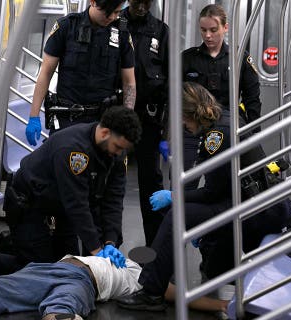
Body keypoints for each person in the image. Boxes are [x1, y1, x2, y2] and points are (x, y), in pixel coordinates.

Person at [116, 82, 291, 311]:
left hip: (253, 210)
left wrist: (174, 196)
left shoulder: (216, 137)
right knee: (211, 262)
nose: (182, 124)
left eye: (182, 118)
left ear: (192, 114)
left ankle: (151, 292)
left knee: (177, 215)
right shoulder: (225, 119)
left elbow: (211, 193)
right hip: (254, 201)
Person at [0, 255, 229, 320]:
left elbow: (183, 296)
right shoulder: (124, 262)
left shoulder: (147, 279)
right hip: (65, 270)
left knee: (65, 302)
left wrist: (225, 306)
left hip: (84, 280)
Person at [4, 106, 141, 270]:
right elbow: (76, 204)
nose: (120, 153)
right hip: (29, 204)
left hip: (60, 206)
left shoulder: (116, 153)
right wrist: (97, 252)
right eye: (118, 147)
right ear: (105, 133)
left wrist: (110, 242)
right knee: (38, 269)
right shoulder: (73, 150)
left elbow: (114, 200)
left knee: (69, 266)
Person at [25, 0, 137, 145]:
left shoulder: (122, 35)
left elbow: (129, 82)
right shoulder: (66, 27)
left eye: (117, 12)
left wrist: (126, 120)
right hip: (67, 119)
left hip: (102, 122)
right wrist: (34, 115)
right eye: (107, 12)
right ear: (92, 2)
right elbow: (46, 73)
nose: (112, 17)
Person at [181, 4, 262, 175]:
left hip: (226, 130)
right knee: (184, 182)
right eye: (203, 30)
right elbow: (174, 98)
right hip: (192, 129)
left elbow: (252, 100)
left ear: (225, 28)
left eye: (213, 29)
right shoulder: (188, 59)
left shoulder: (240, 59)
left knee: (224, 185)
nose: (208, 35)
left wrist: (253, 135)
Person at [120, 0, 170, 247]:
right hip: (117, 115)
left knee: (150, 182)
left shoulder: (160, 30)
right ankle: (108, 244)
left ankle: (155, 246)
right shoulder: (116, 23)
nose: (141, 6)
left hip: (149, 118)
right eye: (137, 1)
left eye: (147, 2)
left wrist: (167, 131)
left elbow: (170, 81)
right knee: (110, 181)